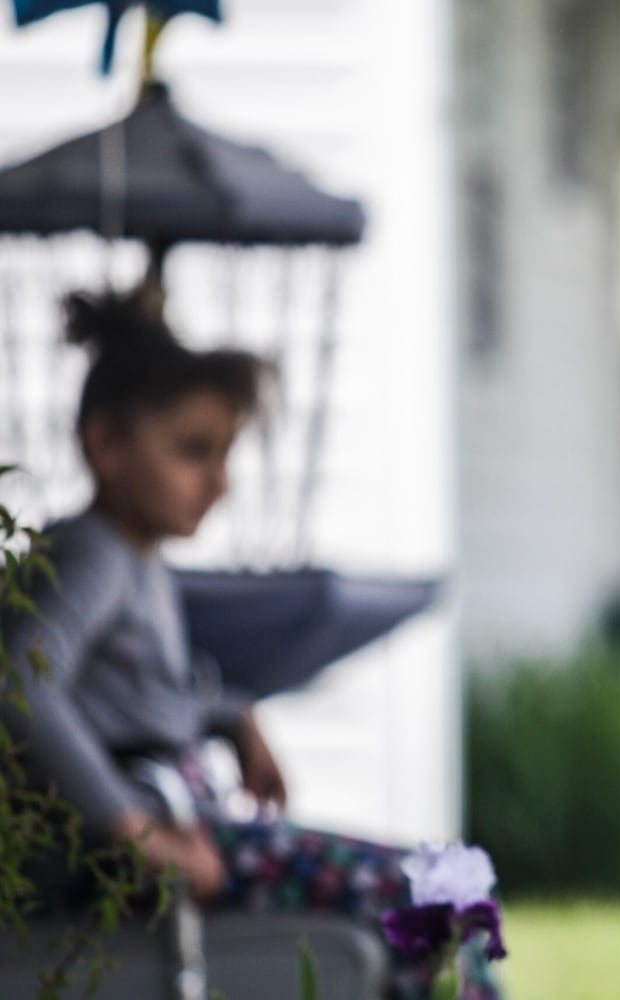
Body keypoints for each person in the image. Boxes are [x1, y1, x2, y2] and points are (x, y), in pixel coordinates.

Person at [0, 287, 502, 999]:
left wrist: (232, 715)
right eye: (193, 451)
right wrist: (133, 831)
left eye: (225, 453)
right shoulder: (94, 554)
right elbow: (19, 685)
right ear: (105, 444)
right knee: (441, 890)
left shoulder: (135, 556)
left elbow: (136, 698)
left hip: (191, 824)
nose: (219, 481)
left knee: (435, 905)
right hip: (145, 851)